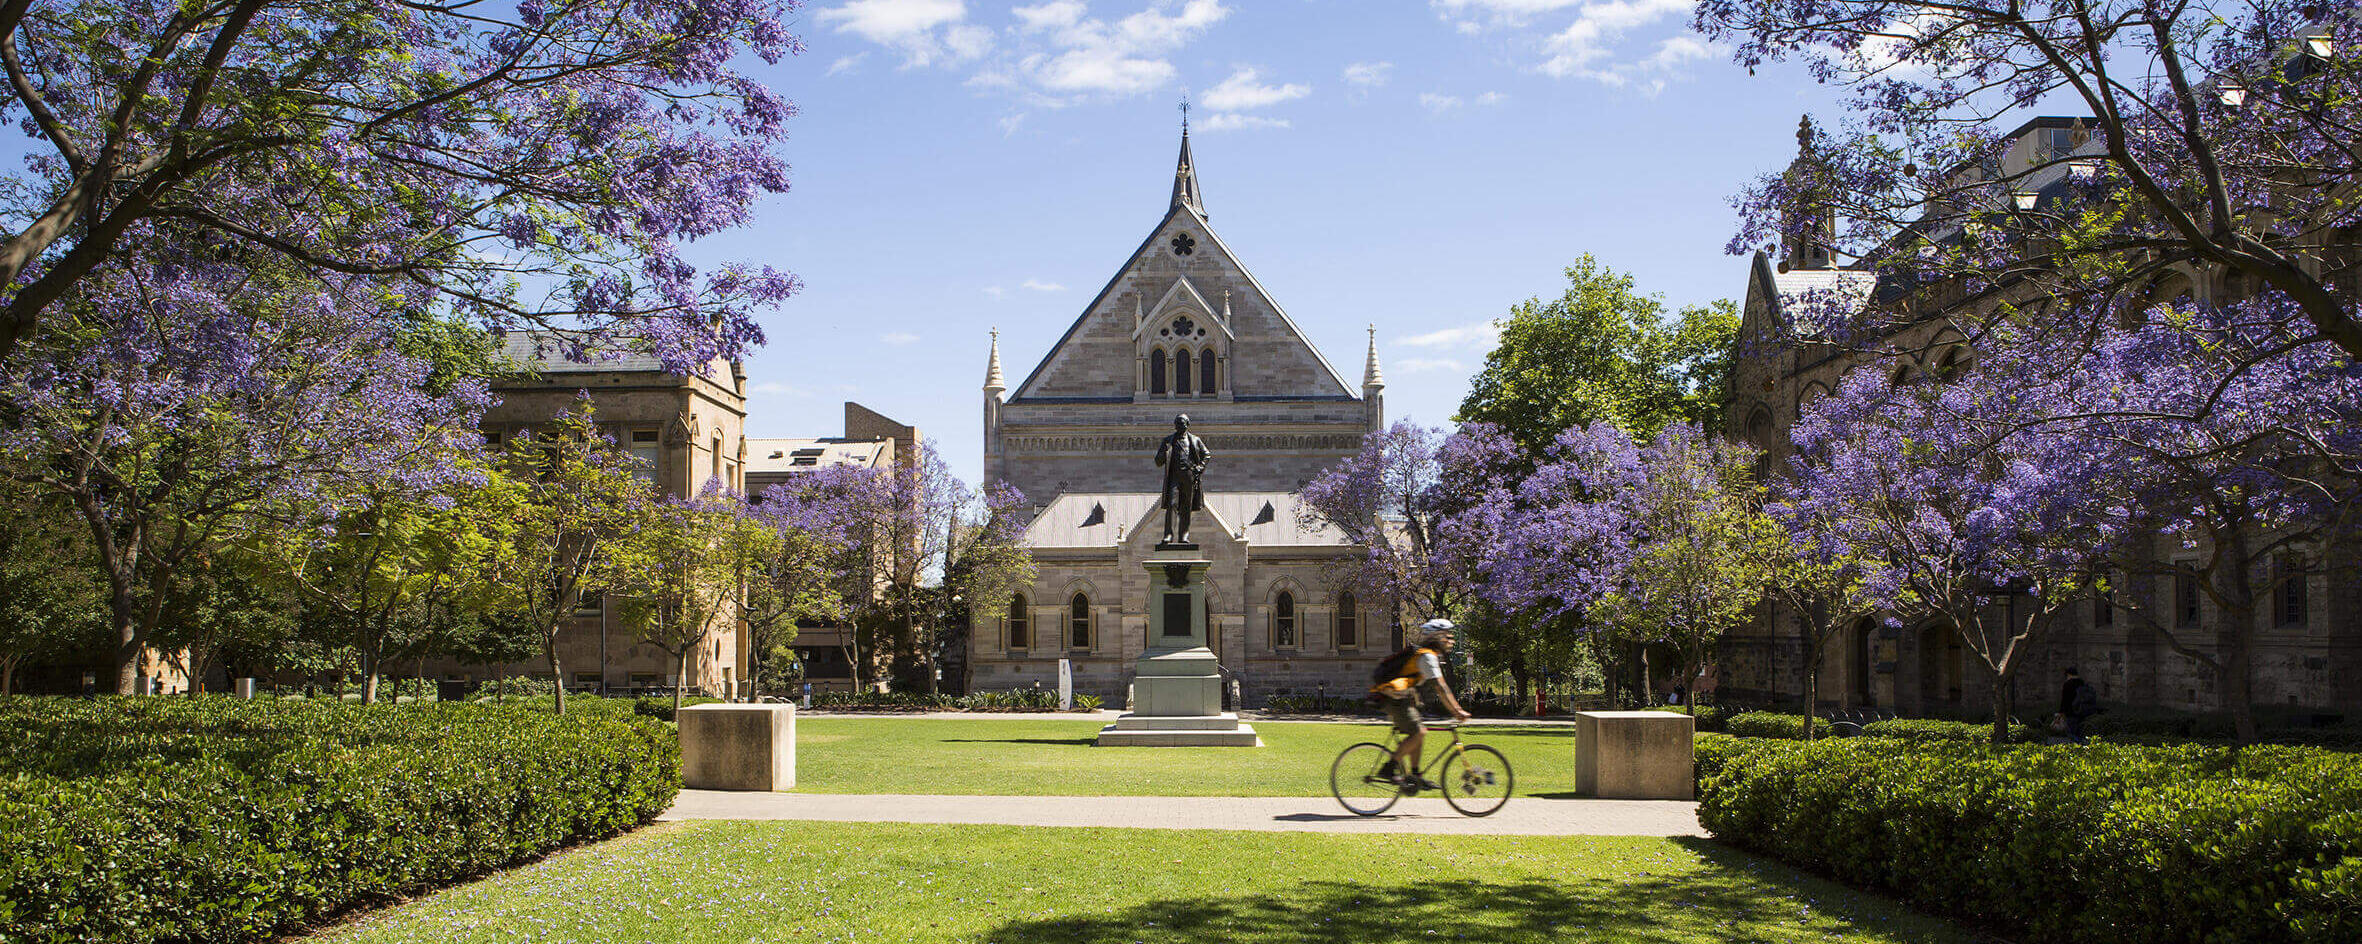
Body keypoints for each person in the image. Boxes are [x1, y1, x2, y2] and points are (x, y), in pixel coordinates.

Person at [1369, 618, 1472, 789]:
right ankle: (1388, 769)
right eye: (1448, 636)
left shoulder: (1427, 655)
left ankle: (1415, 776)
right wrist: (1457, 711)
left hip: (1400, 697)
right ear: (1438, 637)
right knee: (1419, 733)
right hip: (1393, 698)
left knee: (1418, 733)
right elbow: (1441, 687)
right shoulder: (1427, 657)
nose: (1451, 640)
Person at [2058, 667, 2100, 743]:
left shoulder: (2068, 684)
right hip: (2082, 711)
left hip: (2071, 712)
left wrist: (2061, 712)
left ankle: (2078, 745)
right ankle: (2080, 745)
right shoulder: (2082, 683)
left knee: (2071, 732)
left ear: (2068, 674)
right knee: (2079, 731)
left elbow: (2065, 700)